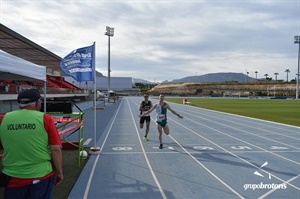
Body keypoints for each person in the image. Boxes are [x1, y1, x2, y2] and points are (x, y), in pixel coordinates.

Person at [0, 89, 63, 198]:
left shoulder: (5, 118)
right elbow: (55, 149)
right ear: (38, 103)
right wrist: (59, 171)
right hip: (40, 175)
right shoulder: (44, 118)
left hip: (12, 176)